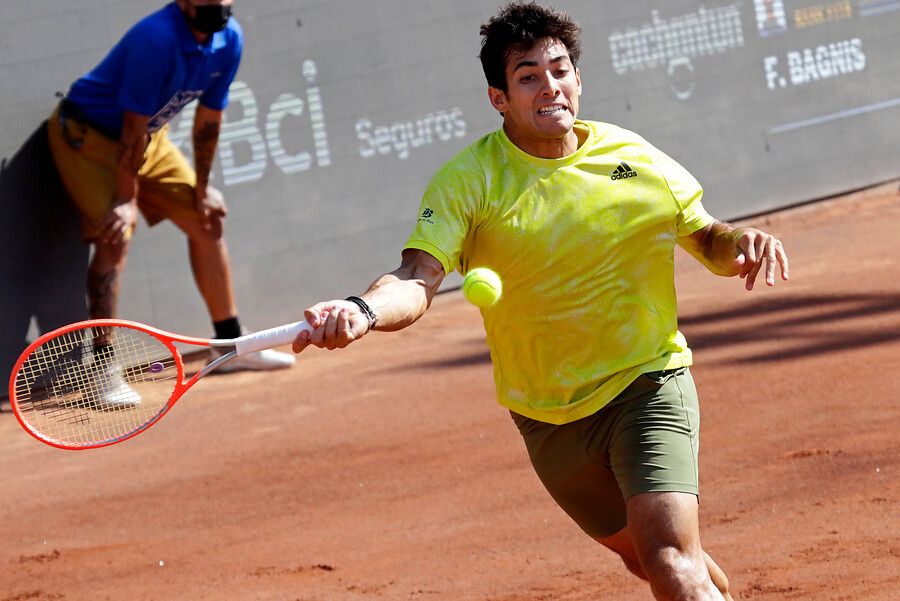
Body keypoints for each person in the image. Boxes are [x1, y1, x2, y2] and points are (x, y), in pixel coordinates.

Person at [292, 3, 788, 600]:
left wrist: (742, 242)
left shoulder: (632, 156)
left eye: (559, 70)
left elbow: (707, 237)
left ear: (578, 79)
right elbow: (417, 276)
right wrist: (364, 310)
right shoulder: (470, 180)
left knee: (670, 561)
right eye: (528, 76)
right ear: (499, 99)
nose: (549, 86)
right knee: (654, 558)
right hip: (546, 418)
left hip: (647, 381)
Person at [46, 0, 294, 408]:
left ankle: (229, 346)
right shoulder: (155, 39)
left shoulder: (230, 38)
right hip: (89, 139)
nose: (217, 4)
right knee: (115, 236)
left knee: (206, 219)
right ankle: (103, 371)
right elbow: (131, 126)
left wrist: (202, 187)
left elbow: (209, 119)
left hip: (147, 137)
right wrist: (125, 199)